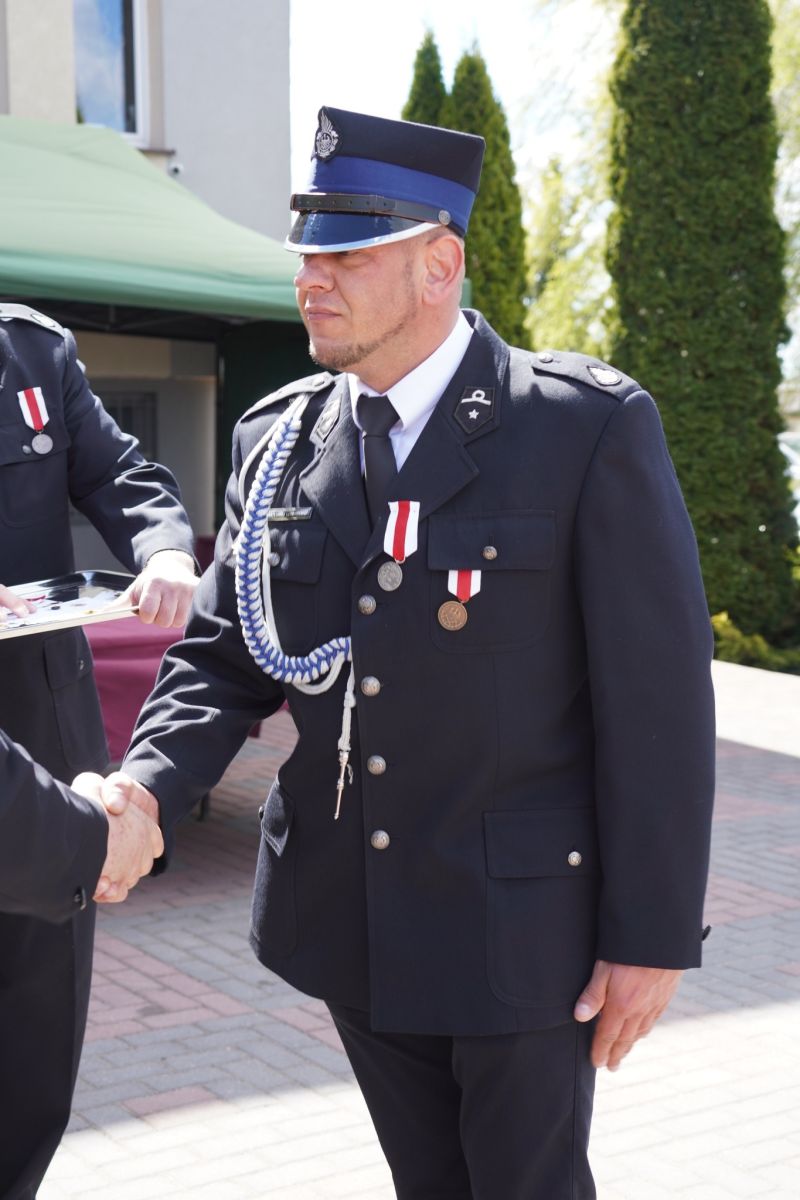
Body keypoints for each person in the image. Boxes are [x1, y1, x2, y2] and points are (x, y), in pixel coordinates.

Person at [100, 108, 715, 1199]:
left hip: (520, 929)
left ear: (440, 264)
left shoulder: (578, 428)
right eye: (307, 256)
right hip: (353, 917)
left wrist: (652, 934)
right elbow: (224, 654)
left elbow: (657, 704)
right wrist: (146, 787)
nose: (311, 280)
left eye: (347, 256)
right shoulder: (280, 439)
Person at [0, 302, 198, 1200]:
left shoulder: (32, 353)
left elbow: (122, 471)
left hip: (45, 740)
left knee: (37, 1044)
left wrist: (164, 550)